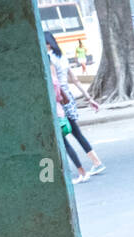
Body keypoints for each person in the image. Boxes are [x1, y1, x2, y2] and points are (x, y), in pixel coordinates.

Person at [45, 31, 104, 184]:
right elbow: (75, 79)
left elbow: (55, 82)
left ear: (48, 44)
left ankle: (82, 172)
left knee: (63, 136)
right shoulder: (62, 57)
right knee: (76, 133)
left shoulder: (49, 58)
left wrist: (56, 101)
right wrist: (89, 98)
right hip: (68, 99)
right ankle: (96, 162)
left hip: (59, 100)